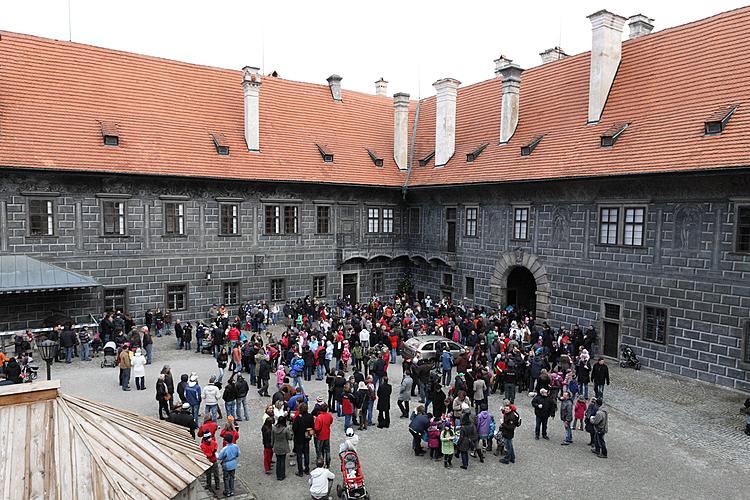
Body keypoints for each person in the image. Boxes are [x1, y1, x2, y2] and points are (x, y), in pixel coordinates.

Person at [293, 402, 315, 477]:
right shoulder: (310, 416)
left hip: (299, 439)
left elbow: (294, 428)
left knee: (299, 455)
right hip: (307, 437)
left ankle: (300, 471)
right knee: (306, 454)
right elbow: (312, 426)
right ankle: (307, 469)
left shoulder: (298, 418)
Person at [272, 415, 293, 481]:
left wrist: (272, 445)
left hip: (276, 446)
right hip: (283, 446)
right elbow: (289, 438)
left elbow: (272, 438)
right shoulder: (285, 429)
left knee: (278, 461)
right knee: (282, 461)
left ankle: (278, 475)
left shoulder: (274, 429)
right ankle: (282, 475)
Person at [314, 403, 333, 468]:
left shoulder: (319, 417)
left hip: (320, 436)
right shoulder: (329, 416)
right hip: (327, 435)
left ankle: (320, 465)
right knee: (327, 450)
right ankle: (328, 464)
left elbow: (317, 428)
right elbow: (330, 422)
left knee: (319, 451)